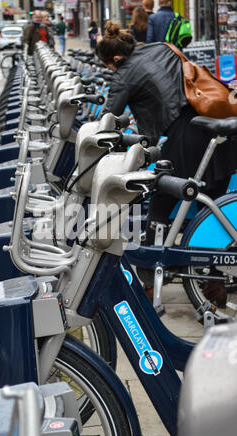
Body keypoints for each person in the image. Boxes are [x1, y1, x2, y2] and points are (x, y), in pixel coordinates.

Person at [95, 20, 237, 305]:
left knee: (160, 202)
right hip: (213, 123)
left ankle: (147, 286)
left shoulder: (124, 74)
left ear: (116, 59)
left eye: (109, 66)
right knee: (210, 207)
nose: (112, 71)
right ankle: (213, 284)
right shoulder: (161, 48)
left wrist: (93, 138)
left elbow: (109, 118)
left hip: (188, 135)